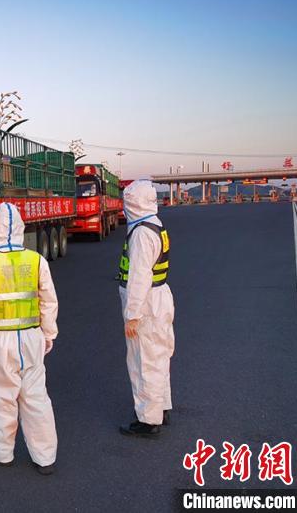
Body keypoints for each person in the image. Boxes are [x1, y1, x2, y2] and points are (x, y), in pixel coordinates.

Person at [0, 202, 59, 475]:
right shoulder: (37, 260)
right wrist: (49, 332)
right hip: (31, 336)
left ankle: (0, 453)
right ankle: (45, 458)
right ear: (20, 228)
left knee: (0, 396)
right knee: (36, 397)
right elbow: (48, 301)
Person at [117, 180, 175, 438]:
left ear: (134, 203)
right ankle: (161, 407)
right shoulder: (155, 225)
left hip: (147, 303)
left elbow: (139, 278)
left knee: (144, 361)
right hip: (159, 297)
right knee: (159, 356)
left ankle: (148, 420)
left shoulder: (141, 233)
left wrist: (132, 315)